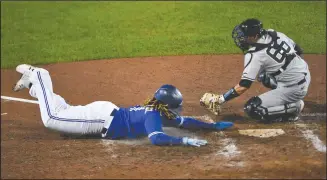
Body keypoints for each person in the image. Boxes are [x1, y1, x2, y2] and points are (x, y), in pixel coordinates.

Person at [13, 64, 233, 147]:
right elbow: (157, 138)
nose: (178, 110)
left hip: (105, 115)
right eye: (176, 106)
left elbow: (186, 122)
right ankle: (40, 75)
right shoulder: (154, 116)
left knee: (65, 112)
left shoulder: (158, 110)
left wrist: (213, 127)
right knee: (53, 119)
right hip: (100, 119)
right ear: (168, 105)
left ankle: (35, 89)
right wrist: (183, 141)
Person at [200, 18, 311, 123]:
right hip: (305, 73)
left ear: (255, 36)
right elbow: (298, 50)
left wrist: (221, 99)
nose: (242, 39)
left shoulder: (254, 54)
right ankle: (289, 90)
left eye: (245, 36)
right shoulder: (275, 34)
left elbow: (244, 84)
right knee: (263, 76)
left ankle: (295, 107)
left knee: (253, 108)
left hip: (293, 88)